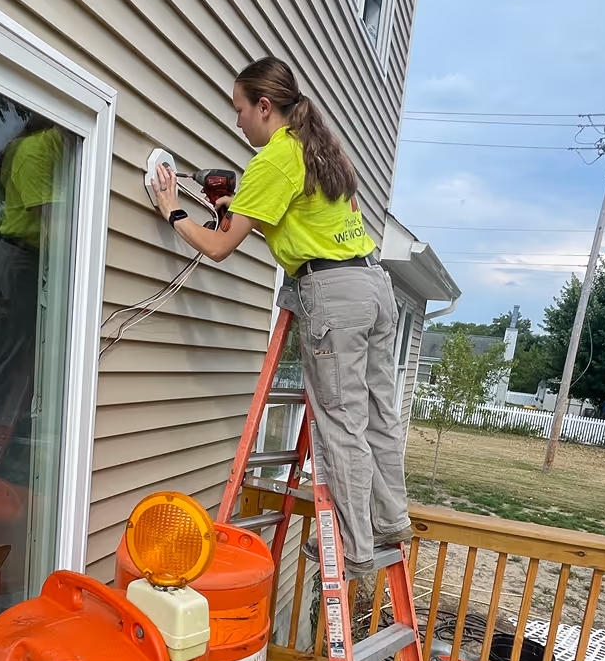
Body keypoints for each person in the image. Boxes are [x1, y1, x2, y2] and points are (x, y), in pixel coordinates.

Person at [150, 56, 413, 578]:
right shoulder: (319, 148)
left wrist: (174, 211)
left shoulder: (273, 161)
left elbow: (222, 246)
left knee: (340, 424)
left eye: (240, 110)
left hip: (333, 293)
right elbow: (286, 218)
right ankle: (391, 520)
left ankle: (356, 550)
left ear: (264, 107)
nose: (238, 121)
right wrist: (228, 198)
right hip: (373, 285)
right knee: (380, 415)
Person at [0, 117, 64, 471]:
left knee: (11, 363)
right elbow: (54, 221)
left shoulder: (52, 149)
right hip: (16, 262)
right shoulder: (36, 149)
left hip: (27, 263)